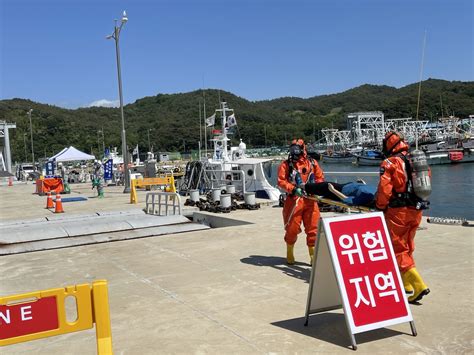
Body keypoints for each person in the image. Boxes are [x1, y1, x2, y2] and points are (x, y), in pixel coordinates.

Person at [376, 131, 430, 303]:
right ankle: (406, 284)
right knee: (408, 245)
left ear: (388, 145)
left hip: (398, 211)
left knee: (396, 248)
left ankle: (418, 284)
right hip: (416, 209)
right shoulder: (415, 160)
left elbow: (385, 189)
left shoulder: (390, 162)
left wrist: (380, 206)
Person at [278, 139, 324, 265]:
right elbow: (281, 181)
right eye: (293, 149)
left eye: (297, 149)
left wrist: (316, 187)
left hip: (311, 199)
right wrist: (293, 189)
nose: (295, 152)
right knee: (292, 228)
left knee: (313, 228)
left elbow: (320, 177)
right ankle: (290, 251)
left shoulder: (312, 163)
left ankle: (313, 256)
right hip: (294, 200)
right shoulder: (286, 165)